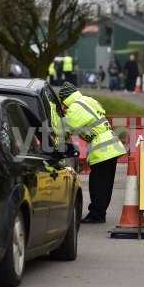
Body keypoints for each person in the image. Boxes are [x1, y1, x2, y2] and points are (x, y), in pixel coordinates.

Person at [59, 82, 127, 223]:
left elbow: (65, 129)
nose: (64, 107)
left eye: (63, 103)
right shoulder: (88, 100)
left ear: (65, 99)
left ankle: (96, 215)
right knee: (105, 183)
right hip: (111, 143)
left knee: (97, 184)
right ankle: (99, 213)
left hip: (103, 147)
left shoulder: (75, 108)